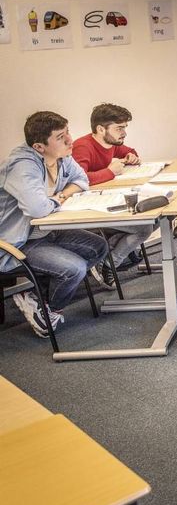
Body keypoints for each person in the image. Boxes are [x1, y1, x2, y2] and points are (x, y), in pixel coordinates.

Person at [0, 111, 109, 338]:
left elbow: (82, 180)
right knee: (74, 269)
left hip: (48, 231)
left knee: (99, 246)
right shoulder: (22, 166)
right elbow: (37, 209)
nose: (70, 140)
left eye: (67, 131)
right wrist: (58, 199)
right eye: (61, 136)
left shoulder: (61, 156)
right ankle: (50, 311)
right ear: (39, 146)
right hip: (19, 241)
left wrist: (61, 194)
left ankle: (39, 299)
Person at [72, 103, 153, 287]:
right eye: (119, 128)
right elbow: (79, 179)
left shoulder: (112, 143)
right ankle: (111, 263)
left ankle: (107, 251)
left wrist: (132, 156)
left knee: (155, 217)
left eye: (125, 127)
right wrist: (110, 172)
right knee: (145, 227)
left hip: (108, 201)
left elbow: (128, 151)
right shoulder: (82, 147)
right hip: (87, 208)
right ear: (101, 129)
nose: (124, 133)